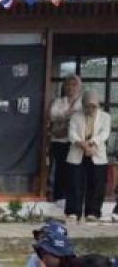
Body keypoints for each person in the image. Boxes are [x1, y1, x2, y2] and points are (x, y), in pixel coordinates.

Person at [65, 89, 111, 222]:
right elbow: (71, 133)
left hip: (96, 153)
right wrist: (83, 145)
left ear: (98, 105)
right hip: (77, 152)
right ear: (83, 105)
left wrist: (91, 144)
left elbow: (105, 133)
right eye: (87, 106)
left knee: (97, 184)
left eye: (93, 106)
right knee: (75, 183)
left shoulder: (105, 117)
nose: (90, 109)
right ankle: (73, 211)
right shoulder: (75, 116)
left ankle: (93, 212)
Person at [48, 74, 83, 204]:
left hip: (76, 141)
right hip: (58, 140)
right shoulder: (59, 101)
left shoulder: (82, 102)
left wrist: (63, 116)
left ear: (79, 87)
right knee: (59, 169)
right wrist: (68, 114)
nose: (70, 88)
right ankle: (58, 197)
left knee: (74, 170)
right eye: (68, 84)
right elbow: (52, 115)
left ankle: (73, 199)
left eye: (74, 85)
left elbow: (82, 117)